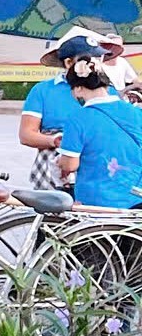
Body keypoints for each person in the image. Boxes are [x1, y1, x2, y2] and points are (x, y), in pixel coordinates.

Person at [46, 37, 142, 210]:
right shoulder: (136, 112)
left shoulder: (78, 118)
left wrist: (60, 161)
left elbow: (70, 165)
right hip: (135, 200)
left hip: (96, 203)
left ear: (78, 88)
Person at [20, 27, 104, 152]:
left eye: (98, 58)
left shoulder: (108, 92)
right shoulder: (42, 90)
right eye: (88, 59)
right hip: (53, 162)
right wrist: (54, 140)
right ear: (69, 63)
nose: (94, 64)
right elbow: (26, 135)